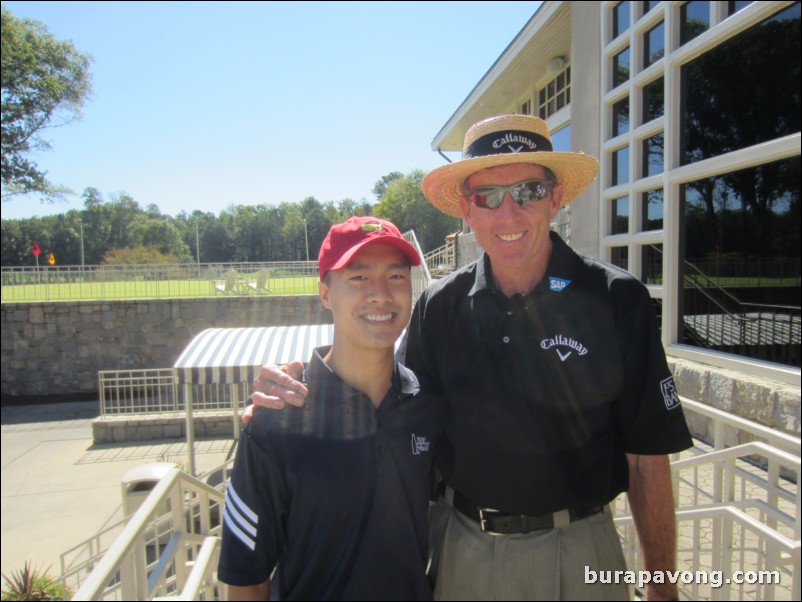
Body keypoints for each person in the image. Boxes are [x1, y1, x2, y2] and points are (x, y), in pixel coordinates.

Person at [251, 115, 693, 601]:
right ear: (467, 209)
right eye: (487, 196)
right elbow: (392, 409)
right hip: (464, 551)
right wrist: (300, 392)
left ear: (555, 197)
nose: (508, 214)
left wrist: (662, 587)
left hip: (580, 553)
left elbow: (648, 459)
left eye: (526, 191)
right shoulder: (439, 306)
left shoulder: (616, 299)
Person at [218, 216, 446, 600]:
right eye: (358, 277)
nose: (380, 294)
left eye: (395, 276)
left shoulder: (429, 407)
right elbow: (246, 580)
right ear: (325, 293)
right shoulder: (274, 422)